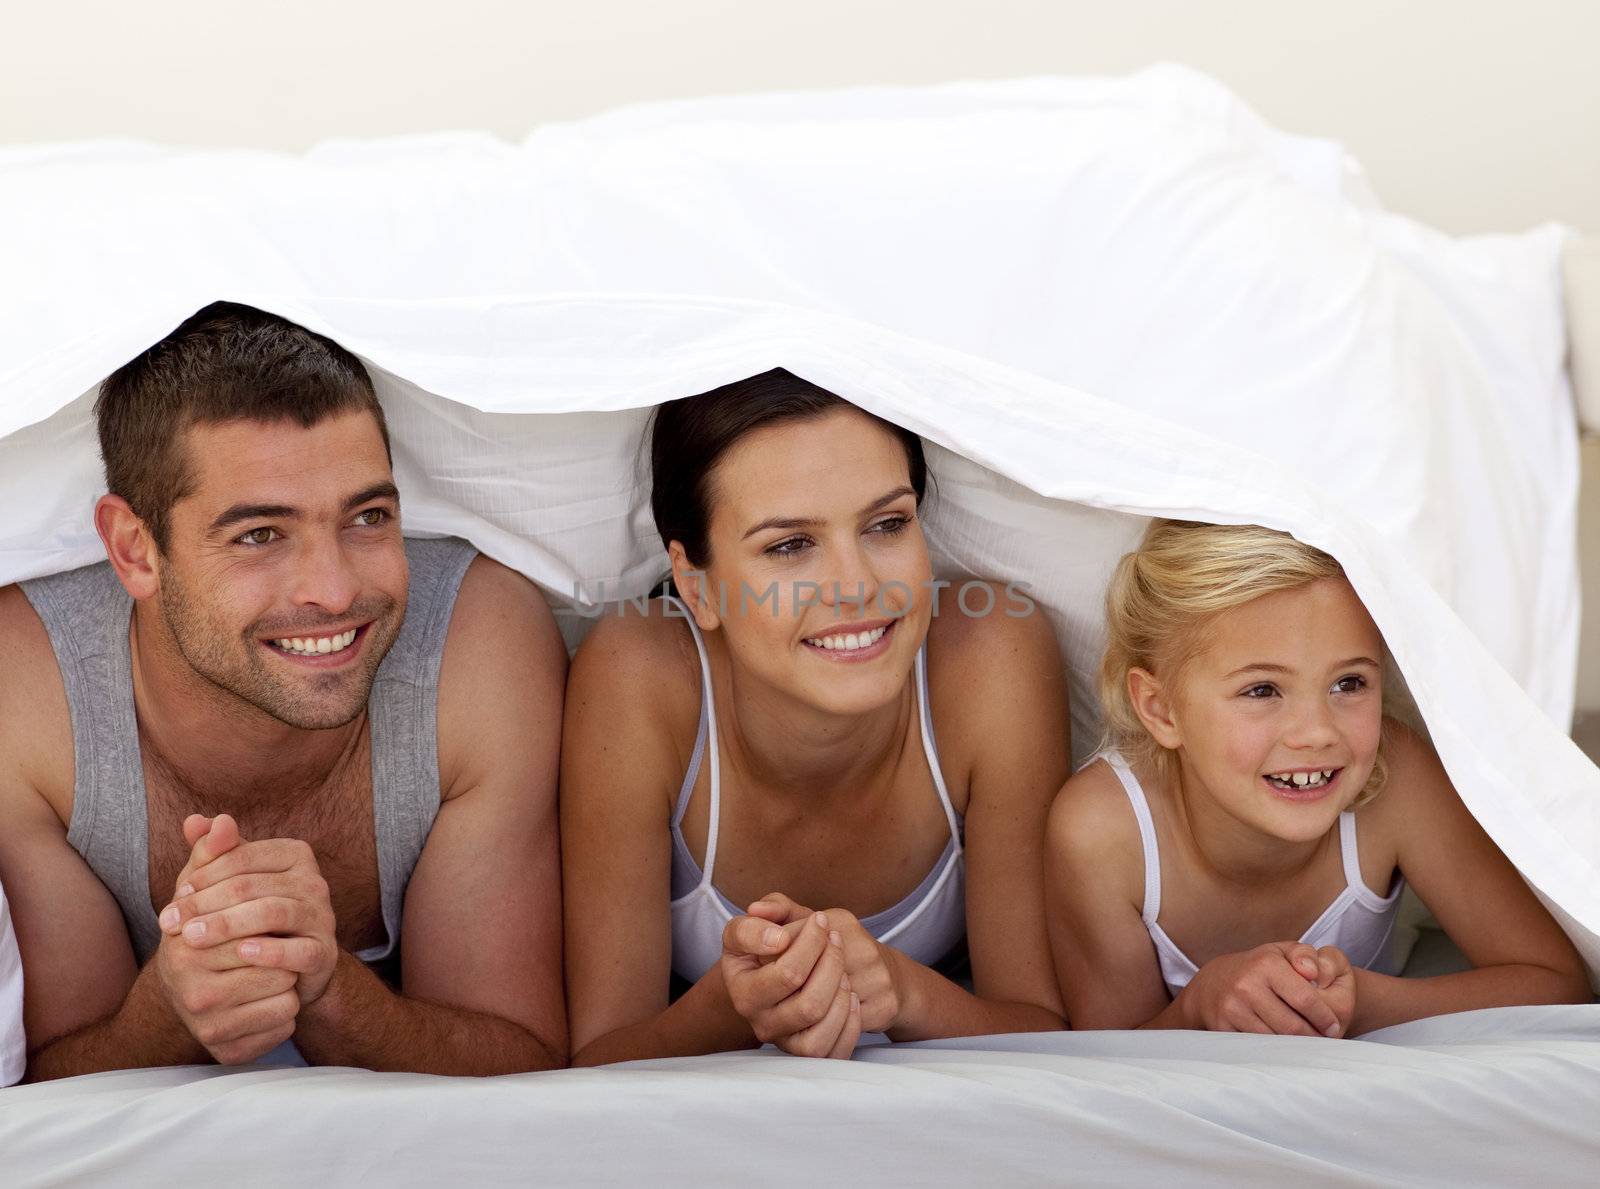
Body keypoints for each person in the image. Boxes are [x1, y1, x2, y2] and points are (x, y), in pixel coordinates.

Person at [0, 302, 568, 1080]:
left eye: (368, 517)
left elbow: (526, 1058)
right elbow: (43, 1088)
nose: (333, 591)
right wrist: (166, 1011)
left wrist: (331, 988)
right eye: (260, 535)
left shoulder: (479, 642)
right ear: (135, 550)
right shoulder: (26, 694)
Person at [562, 369, 1070, 1063]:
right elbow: (596, 1060)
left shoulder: (993, 659)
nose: (857, 585)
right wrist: (733, 1006)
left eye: (887, 524)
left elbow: (1050, 1031)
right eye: (789, 545)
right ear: (696, 584)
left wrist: (904, 991)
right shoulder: (639, 677)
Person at [1047, 519, 1589, 1036]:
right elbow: (1111, 1057)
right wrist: (1197, 1007)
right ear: (1161, 710)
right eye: (1262, 690)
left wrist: (1368, 1004)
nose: (1316, 733)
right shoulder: (1101, 834)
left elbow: (1556, 983)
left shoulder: (1394, 779)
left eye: (1349, 683)